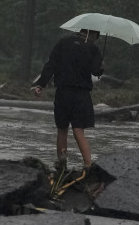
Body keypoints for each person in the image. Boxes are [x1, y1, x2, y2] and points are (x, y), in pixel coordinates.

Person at [32, 30, 105, 170]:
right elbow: (96, 71)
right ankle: (88, 165)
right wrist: (101, 67)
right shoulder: (93, 48)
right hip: (81, 95)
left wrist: (41, 84)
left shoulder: (63, 43)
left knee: (62, 129)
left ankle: (62, 166)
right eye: (96, 38)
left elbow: (50, 65)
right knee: (78, 130)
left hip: (63, 92)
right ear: (93, 35)